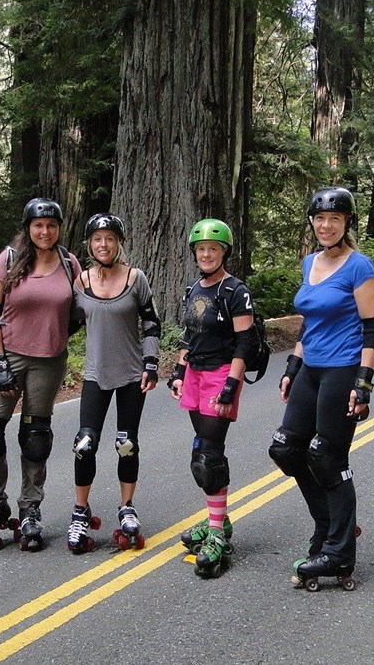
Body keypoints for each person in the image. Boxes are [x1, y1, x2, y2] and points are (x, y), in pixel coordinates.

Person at [267, 186, 374, 591]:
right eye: (320, 218)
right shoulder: (309, 263)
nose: (325, 224)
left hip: (343, 369)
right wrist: (293, 366)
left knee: (327, 455)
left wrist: (364, 383)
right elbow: (310, 322)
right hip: (312, 368)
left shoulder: (360, 268)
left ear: (346, 223)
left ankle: (338, 554)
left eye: (334, 218)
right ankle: (333, 524)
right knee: (286, 447)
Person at [0, 197, 83, 553]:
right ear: (28, 228)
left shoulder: (69, 263)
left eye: (51, 225)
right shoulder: (10, 259)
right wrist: (0, 361)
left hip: (48, 360)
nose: (45, 232)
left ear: (59, 228)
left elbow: (88, 306)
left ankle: (30, 507)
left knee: (36, 436)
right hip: (9, 356)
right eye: (38, 225)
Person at [66, 213, 162, 554]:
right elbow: (68, 323)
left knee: (126, 443)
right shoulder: (81, 283)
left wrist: (151, 363)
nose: (103, 244)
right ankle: (80, 511)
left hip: (131, 374)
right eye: (97, 239)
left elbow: (151, 322)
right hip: (95, 374)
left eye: (109, 238)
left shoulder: (136, 279)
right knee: (85, 444)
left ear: (118, 242)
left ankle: (127, 507)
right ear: (89, 244)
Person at [167, 218, 256, 578]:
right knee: (199, 453)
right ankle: (219, 520)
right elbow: (190, 336)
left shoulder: (235, 290)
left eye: (213, 248)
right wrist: (177, 372)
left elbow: (246, 341)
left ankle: (217, 535)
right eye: (201, 248)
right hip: (195, 374)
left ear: (224, 252)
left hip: (221, 373)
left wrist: (232, 385)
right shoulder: (193, 289)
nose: (206, 253)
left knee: (210, 458)